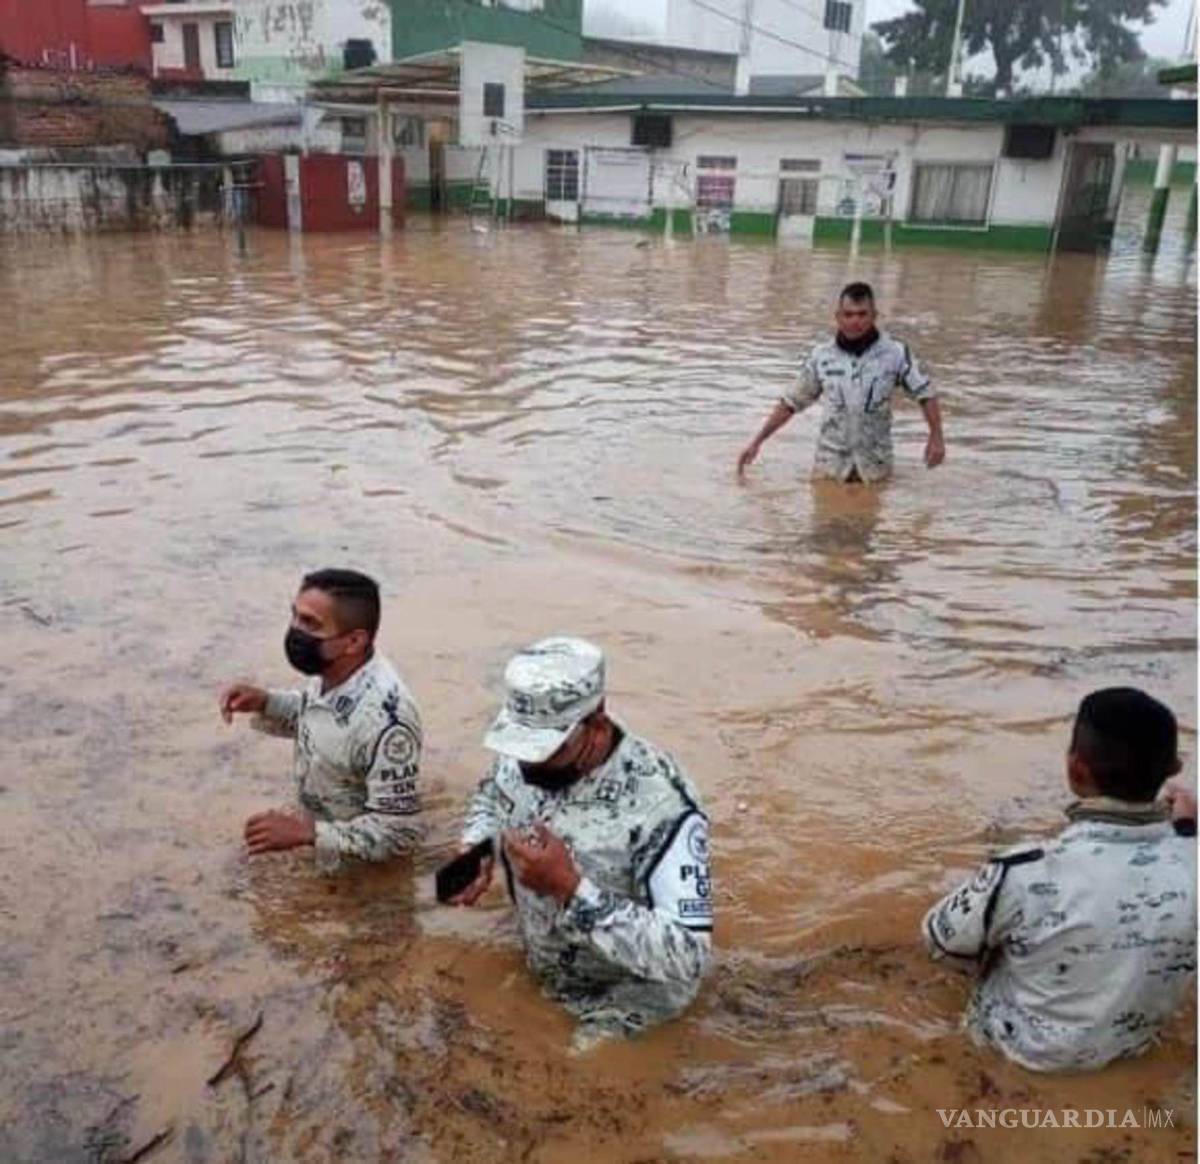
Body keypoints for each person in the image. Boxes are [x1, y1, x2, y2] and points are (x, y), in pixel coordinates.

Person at [448, 636, 713, 1047]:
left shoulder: (662, 806)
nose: (526, 763)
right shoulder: (526, 744)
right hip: (545, 961)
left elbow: (688, 957)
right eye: (520, 747)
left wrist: (570, 889)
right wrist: (478, 845)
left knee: (564, 1086)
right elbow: (492, 793)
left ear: (596, 728)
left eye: (544, 751)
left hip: (626, 995)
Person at [922, 687, 1196, 1072]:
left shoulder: (1025, 869)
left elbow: (941, 942)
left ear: (1076, 768)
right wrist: (1186, 830)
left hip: (1017, 1053)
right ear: (1173, 769)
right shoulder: (1191, 860)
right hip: (1134, 1049)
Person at [219, 568, 423, 872]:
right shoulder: (334, 672)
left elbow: (398, 835)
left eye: (310, 623)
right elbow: (321, 718)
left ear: (353, 641)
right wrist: (266, 702)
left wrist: (308, 834)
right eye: (295, 616)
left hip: (360, 870)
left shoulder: (388, 722)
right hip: (322, 836)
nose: (295, 631)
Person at [737, 281, 945, 484]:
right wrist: (757, 442)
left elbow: (925, 393)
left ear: (874, 316)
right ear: (838, 317)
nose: (855, 321)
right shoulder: (822, 356)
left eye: (862, 314)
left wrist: (936, 436)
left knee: (869, 516)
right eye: (848, 314)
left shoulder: (896, 353)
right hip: (830, 467)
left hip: (874, 467)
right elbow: (791, 403)